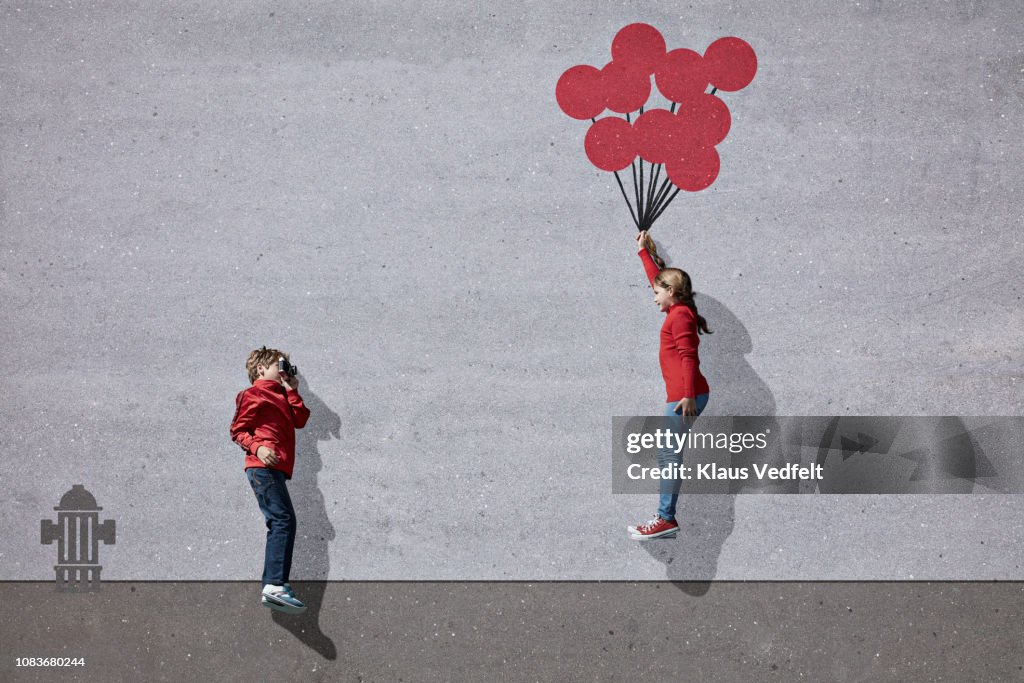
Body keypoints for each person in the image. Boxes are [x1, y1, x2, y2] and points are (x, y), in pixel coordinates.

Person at [629, 231, 712, 540]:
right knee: (668, 454)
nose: (653, 297)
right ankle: (665, 517)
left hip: (684, 397)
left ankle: (666, 519)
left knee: (668, 454)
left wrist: (688, 396)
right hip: (682, 395)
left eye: (656, 293)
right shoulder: (679, 311)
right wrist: (643, 253)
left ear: (672, 292)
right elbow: (659, 279)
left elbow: (690, 356)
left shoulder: (680, 317)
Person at [230, 346, 311, 613]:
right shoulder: (253, 394)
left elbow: (301, 419)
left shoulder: (284, 397)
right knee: (282, 520)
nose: (286, 370)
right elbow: (237, 429)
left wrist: (292, 390)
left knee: (283, 520)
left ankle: (277, 583)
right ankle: (274, 585)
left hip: (274, 470)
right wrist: (258, 448)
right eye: (282, 366)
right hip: (261, 467)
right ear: (262, 369)